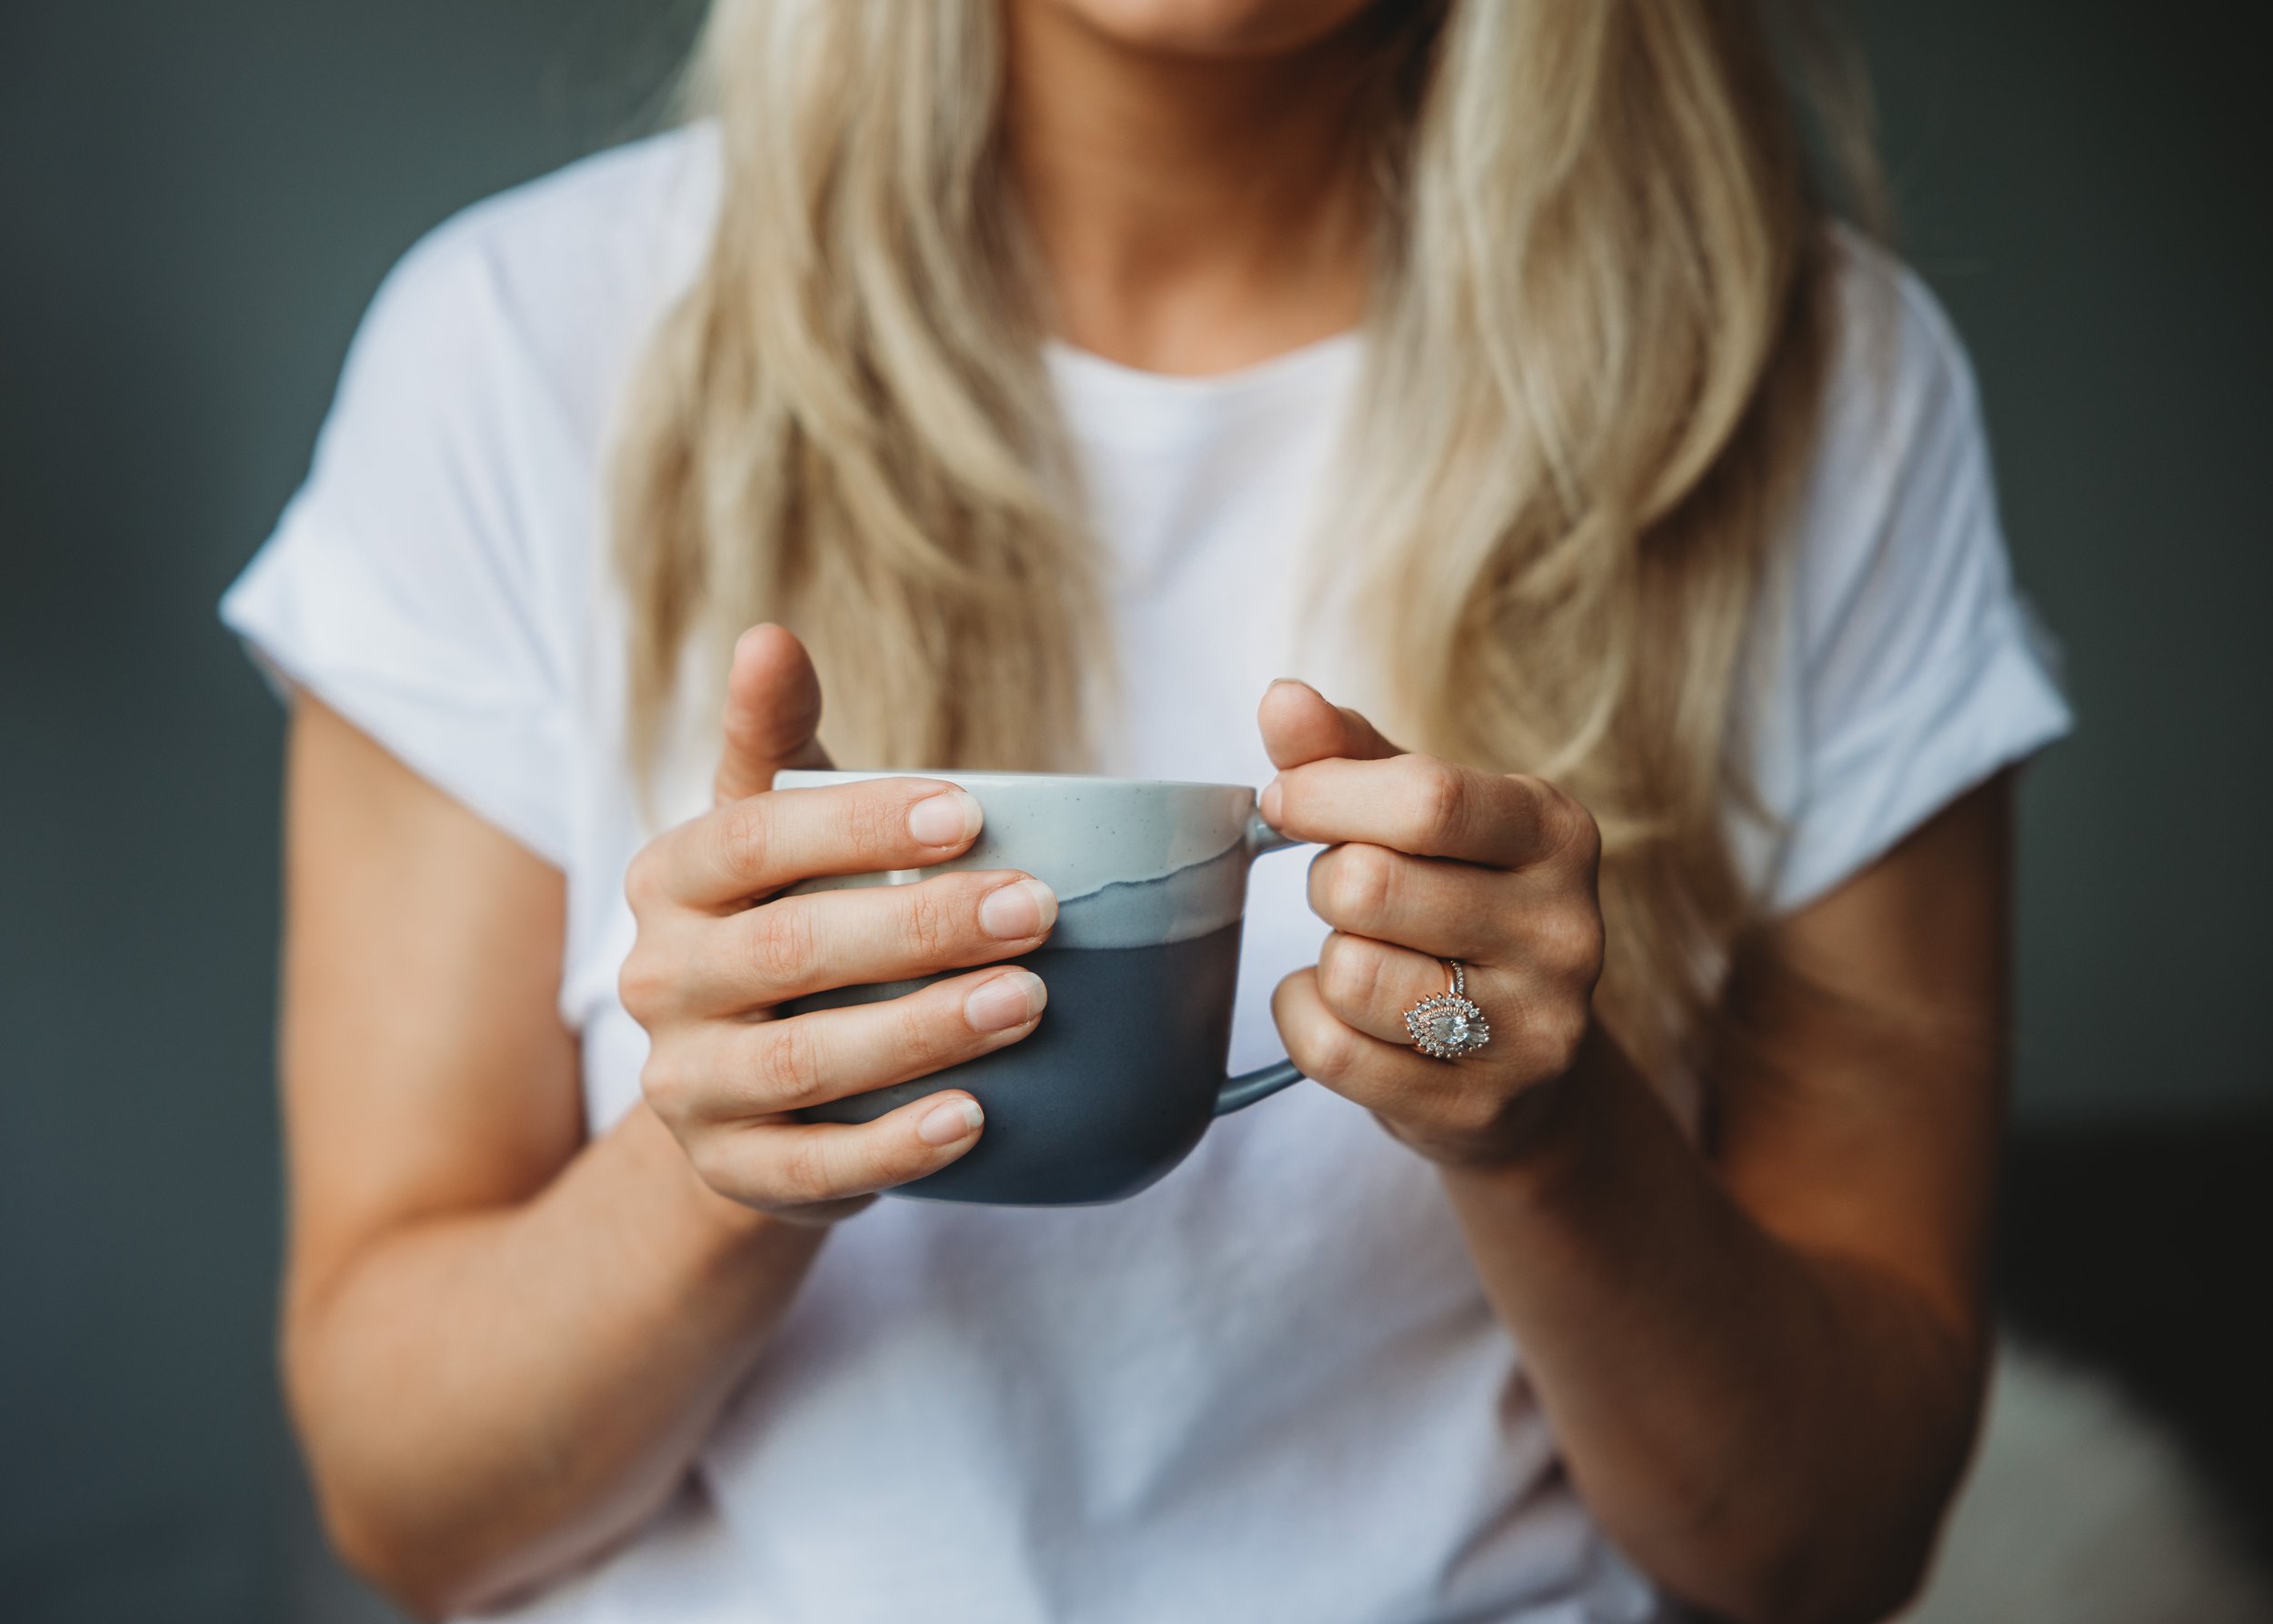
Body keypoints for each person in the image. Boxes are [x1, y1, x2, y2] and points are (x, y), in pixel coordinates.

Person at [219, 2, 2072, 1620]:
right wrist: (735, 1152)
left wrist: (1553, 1140)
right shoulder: (515, 353)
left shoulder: (1815, 383)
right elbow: (411, 1505)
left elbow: (1829, 1543)